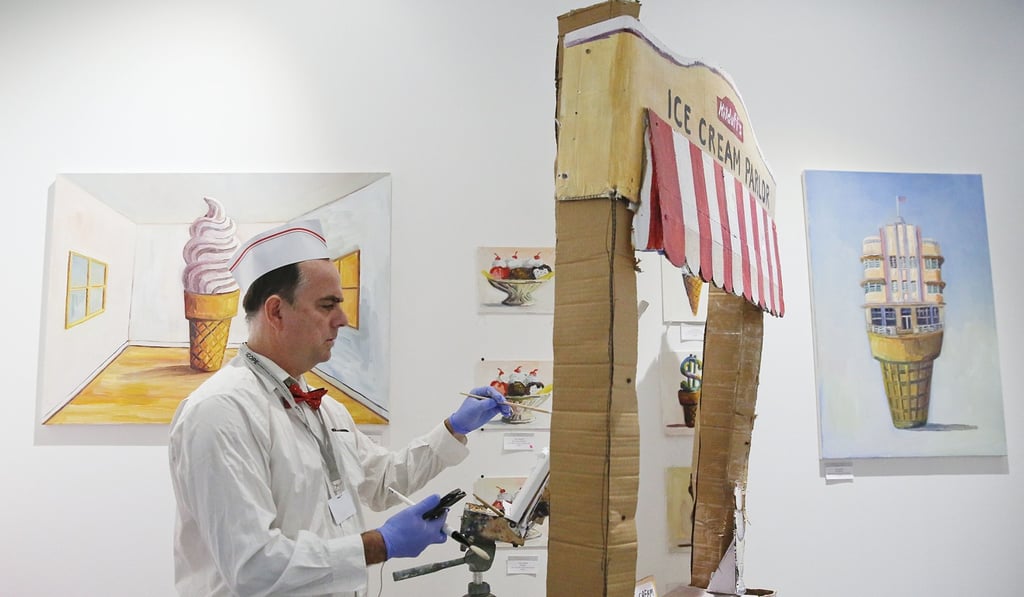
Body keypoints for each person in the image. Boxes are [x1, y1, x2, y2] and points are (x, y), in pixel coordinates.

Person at [168, 219, 510, 597]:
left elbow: (381, 482)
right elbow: (254, 568)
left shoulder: (322, 408)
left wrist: (454, 428)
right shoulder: (221, 412)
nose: (343, 320)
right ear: (277, 312)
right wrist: (380, 544)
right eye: (327, 305)